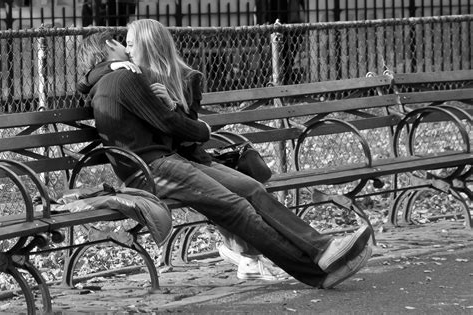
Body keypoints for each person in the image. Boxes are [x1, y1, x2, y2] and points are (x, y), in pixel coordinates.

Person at [77, 24, 372, 289]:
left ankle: (323, 249)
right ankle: (317, 272)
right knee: (236, 207)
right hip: (154, 168)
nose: (126, 48)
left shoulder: (114, 79)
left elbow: (158, 119)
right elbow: (171, 124)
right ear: (106, 51)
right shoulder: (123, 79)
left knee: (251, 189)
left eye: (128, 43)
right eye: (119, 43)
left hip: (164, 162)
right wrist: (201, 128)